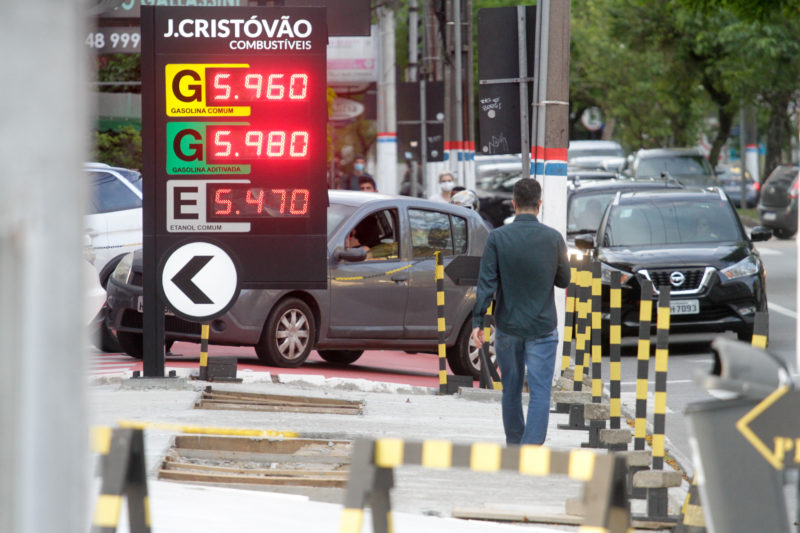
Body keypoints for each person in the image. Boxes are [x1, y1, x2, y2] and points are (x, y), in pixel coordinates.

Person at [471, 178, 570, 445]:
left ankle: (515, 447)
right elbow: (564, 280)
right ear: (539, 205)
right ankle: (530, 450)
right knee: (539, 392)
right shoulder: (554, 239)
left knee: (511, 391)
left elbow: (486, 284)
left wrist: (478, 322)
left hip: (507, 327)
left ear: (514, 204)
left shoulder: (497, 238)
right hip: (542, 327)